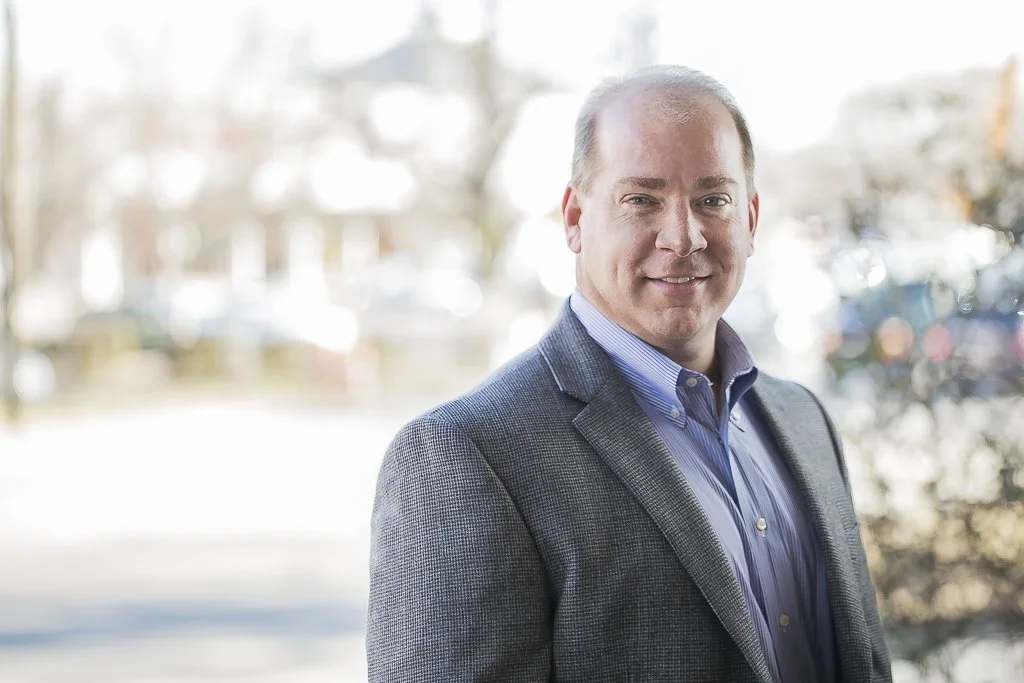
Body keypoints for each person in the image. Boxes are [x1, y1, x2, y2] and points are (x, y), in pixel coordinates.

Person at [366, 65, 892, 683]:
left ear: (750, 218)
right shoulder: (470, 455)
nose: (683, 235)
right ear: (574, 217)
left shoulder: (804, 421)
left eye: (712, 200)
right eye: (641, 200)